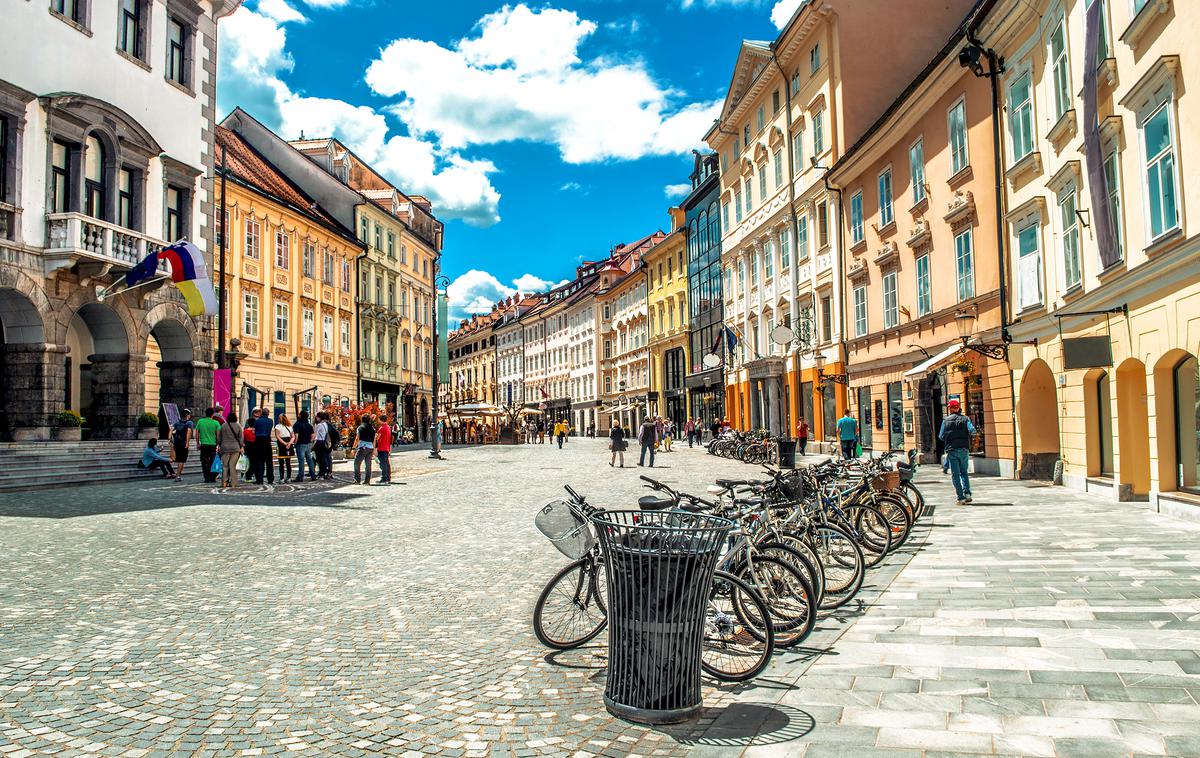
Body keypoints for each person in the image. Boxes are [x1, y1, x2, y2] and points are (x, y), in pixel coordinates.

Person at [939, 399, 976, 505]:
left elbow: (941, 436)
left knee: (955, 474)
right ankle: (967, 493)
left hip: (952, 449)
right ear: (958, 408)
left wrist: (950, 437)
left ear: (950, 409)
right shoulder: (965, 419)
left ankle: (961, 498)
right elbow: (972, 430)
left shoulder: (945, 420)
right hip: (964, 449)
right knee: (964, 472)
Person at [217, 412, 244, 489]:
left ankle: (224, 482)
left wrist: (219, 444)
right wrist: (241, 446)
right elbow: (241, 438)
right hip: (235, 448)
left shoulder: (223, 426)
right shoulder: (238, 426)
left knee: (225, 466)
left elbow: (219, 437)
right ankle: (233, 483)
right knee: (232, 466)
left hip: (224, 448)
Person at [195, 407, 221, 483]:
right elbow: (218, 435)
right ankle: (212, 477)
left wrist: (197, 443)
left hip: (204, 444)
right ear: (212, 414)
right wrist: (218, 444)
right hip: (213, 445)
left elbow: (197, 433)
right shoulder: (216, 423)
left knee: (204, 461)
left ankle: (206, 477)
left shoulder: (200, 421)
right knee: (213, 461)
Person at [252, 407, 276, 485]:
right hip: (267, 441)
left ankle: (259, 479)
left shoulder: (257, 421)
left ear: (261, 413)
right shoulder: (270, 421)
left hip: (258, 441)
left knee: (259, 461)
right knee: (269, 462)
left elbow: (253, 431)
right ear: (268, 414)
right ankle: (270, 479)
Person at [170, 408, 194, 481]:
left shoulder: (177, 423)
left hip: (177, 443)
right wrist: (187, 442)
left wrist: (169, 438)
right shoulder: (189, 423)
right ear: (188, 415)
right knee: (182, 460)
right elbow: (189, 432)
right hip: (183, 443)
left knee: (178, 459)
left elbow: (171, 429)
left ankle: (177, 474)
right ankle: (178, 476)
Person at [292, 410, 316, 482]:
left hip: (300, 444)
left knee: (301, 460)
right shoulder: (309, 425)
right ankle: (313, 475)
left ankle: (300, 476)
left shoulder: (297, 424)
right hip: (308, 444)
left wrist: (295, 443)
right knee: (309, 460)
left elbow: (296, 435)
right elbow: (313, 435)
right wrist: (310, 442)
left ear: (300, 415)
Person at [354, 413, 376, 485]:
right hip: (370, 447)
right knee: (368, 465)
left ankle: (357, 480)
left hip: (363, 447)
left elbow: (357, 438)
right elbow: (374, 439)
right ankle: (367, 481)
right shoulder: (372, 428)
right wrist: (373, 449)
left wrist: (354, 447)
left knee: (357, 463)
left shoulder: (360, 427)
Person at [274, 414, 295, 482]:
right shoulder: (290, 426)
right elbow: (293, 437)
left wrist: (284, 443)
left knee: (281, 463)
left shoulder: (277, 426)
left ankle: (282, 478)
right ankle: (288, 478)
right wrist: (289, 443)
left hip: (281, 444)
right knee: (288, 462)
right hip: (289, 443)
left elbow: (277, 436)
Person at [313, 411, 334, 480]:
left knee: (319, 459)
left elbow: (315, 435)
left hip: (318, 443)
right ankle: (324, 473)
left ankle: (321, 474)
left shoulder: (319, 425)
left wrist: (312, 442)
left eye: (317, 417)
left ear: (319, 418)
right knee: (323, 459)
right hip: (324, 443)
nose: (316, 418)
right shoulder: (325, 424)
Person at [375, 413, 393, 484]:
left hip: (381, 447)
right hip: (386, 447)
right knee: (387, 463)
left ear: (381, 420)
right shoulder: (388, 427)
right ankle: (388, 477)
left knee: (383, 464)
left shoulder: (382, 428)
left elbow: (377, 438)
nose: (378, 421)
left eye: (379, 419)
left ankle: (384, 478)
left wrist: (375, 437)